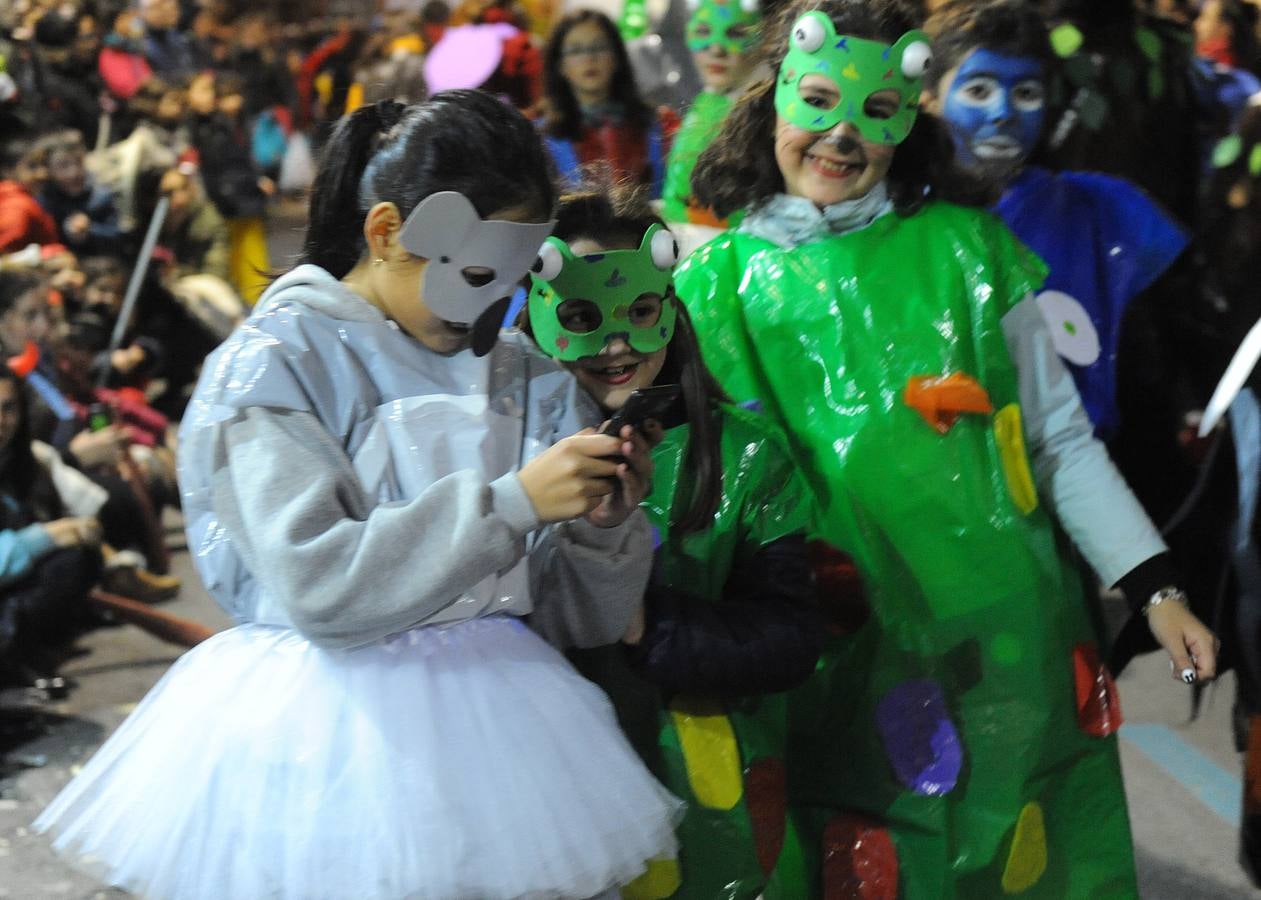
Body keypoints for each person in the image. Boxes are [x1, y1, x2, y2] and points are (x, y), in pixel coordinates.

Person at [35, 92, 681, 900]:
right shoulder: (278, 364)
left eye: (514, 281)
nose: (495, 307)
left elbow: (575, 618)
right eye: (479, 274)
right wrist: (512, 503)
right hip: (322, 742)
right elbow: (319, 584)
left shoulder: (522, 372)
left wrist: (601, 526)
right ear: (385, 233)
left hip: (508, 742)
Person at [679, 0, 1220, 895]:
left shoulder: (972, 252)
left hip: (998, 629)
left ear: (909, 119)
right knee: (848, 852)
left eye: (874, 113)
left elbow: (1054, 438)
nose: (841, 137)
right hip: (825, 642)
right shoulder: (714, 285)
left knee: (1003, 846)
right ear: (771, 101)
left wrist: (1152, 584)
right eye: (818, 102)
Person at [521, 183, 822, 897]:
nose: (617, 343)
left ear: (669, 310)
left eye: (640, 312)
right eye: (582, 317)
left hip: (705, 802)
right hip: (539, 792)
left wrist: (646, 623)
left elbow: (792, 633)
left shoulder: (747, 458)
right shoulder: (497, 449)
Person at [0, 366, 103, 692]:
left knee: (79, 555)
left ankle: (23, 648)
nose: (1, 421)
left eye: (7, 408)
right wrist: (44, 538)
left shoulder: (20, 461)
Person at [540, 9, 678, 195]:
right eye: (575, 50)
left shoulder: (660, 125)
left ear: (616, 57)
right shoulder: (542, 138)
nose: (589, 59)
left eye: (599, 47)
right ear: (559, 65)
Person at [661, 0, 762, 225]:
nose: (717, 50)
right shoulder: (704, 102)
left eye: (735, 34)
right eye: (704, 32)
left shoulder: (760, 113)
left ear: (761, 43)